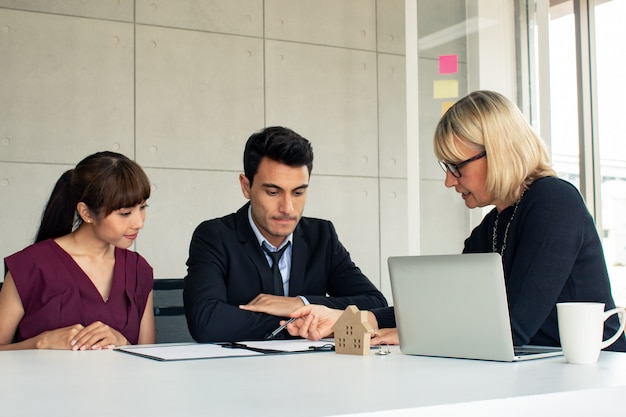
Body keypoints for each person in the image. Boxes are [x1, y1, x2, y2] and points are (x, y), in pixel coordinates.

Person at [285, 90, 626, 352]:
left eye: (456, 167)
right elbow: (444, 307)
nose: (449, 181)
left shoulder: (554, 201)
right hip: (541, 372)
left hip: (594, 377)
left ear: (498, 150)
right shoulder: (491, 227)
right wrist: (358, 319)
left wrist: (408, 334)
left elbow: (513, 327)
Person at [183, 126, 388, 342]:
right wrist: (301, 322)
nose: (288, 208)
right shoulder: (215, 236)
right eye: (273, 192)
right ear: (246, 186)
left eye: (298, 192)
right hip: (239, 371)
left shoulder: (321, 236)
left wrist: (301, 303)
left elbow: (374, 303)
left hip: (309, 370)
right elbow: (206, 322)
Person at [0, 151, 155, 350]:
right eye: (125, 213)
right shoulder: (30, 266)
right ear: (86, 212)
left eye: (143, 207)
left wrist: (123, 343)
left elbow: (149, 355)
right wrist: (41, 342)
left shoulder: (138, 269)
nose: (139, 222)